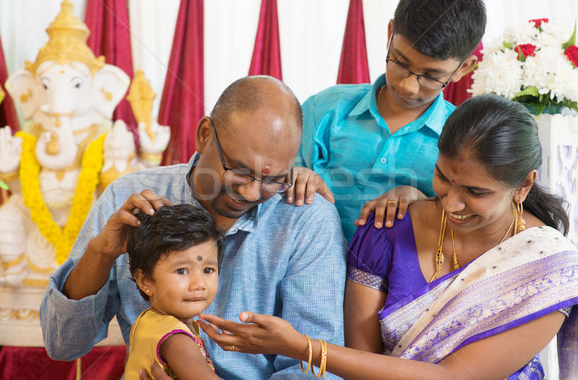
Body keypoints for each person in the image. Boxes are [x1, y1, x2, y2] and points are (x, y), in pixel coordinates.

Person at [197, 95, 578, 379]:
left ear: (524, 186)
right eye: (444, 178)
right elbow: (363, 362)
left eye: (476, 193)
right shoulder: (385, 231)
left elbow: (453, 377)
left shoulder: (548, 268)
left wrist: (301, 347)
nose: (452, 203)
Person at [40, 75, 347, 380]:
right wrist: (102, 252)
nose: (252, 194)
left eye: (273, 179)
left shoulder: (307, 220)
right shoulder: (127, 199)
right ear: (204, 135)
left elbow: (314, 371)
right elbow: (63, 344)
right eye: (239, 172)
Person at [295, 0, 487, 242]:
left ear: (463, 68)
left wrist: (422, 203)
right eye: (400, 62)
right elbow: (269, 185)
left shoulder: (464, 140)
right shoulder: (324, 109)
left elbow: (473, 229)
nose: (408, 86)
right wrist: (294, 177)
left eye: (431, 76)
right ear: (390, 33)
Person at [124, 204, 223, 380]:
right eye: (182, 271)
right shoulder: (176, 338)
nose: (198, 284)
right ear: (145, 280)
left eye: (208, 270)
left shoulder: (148, 320)